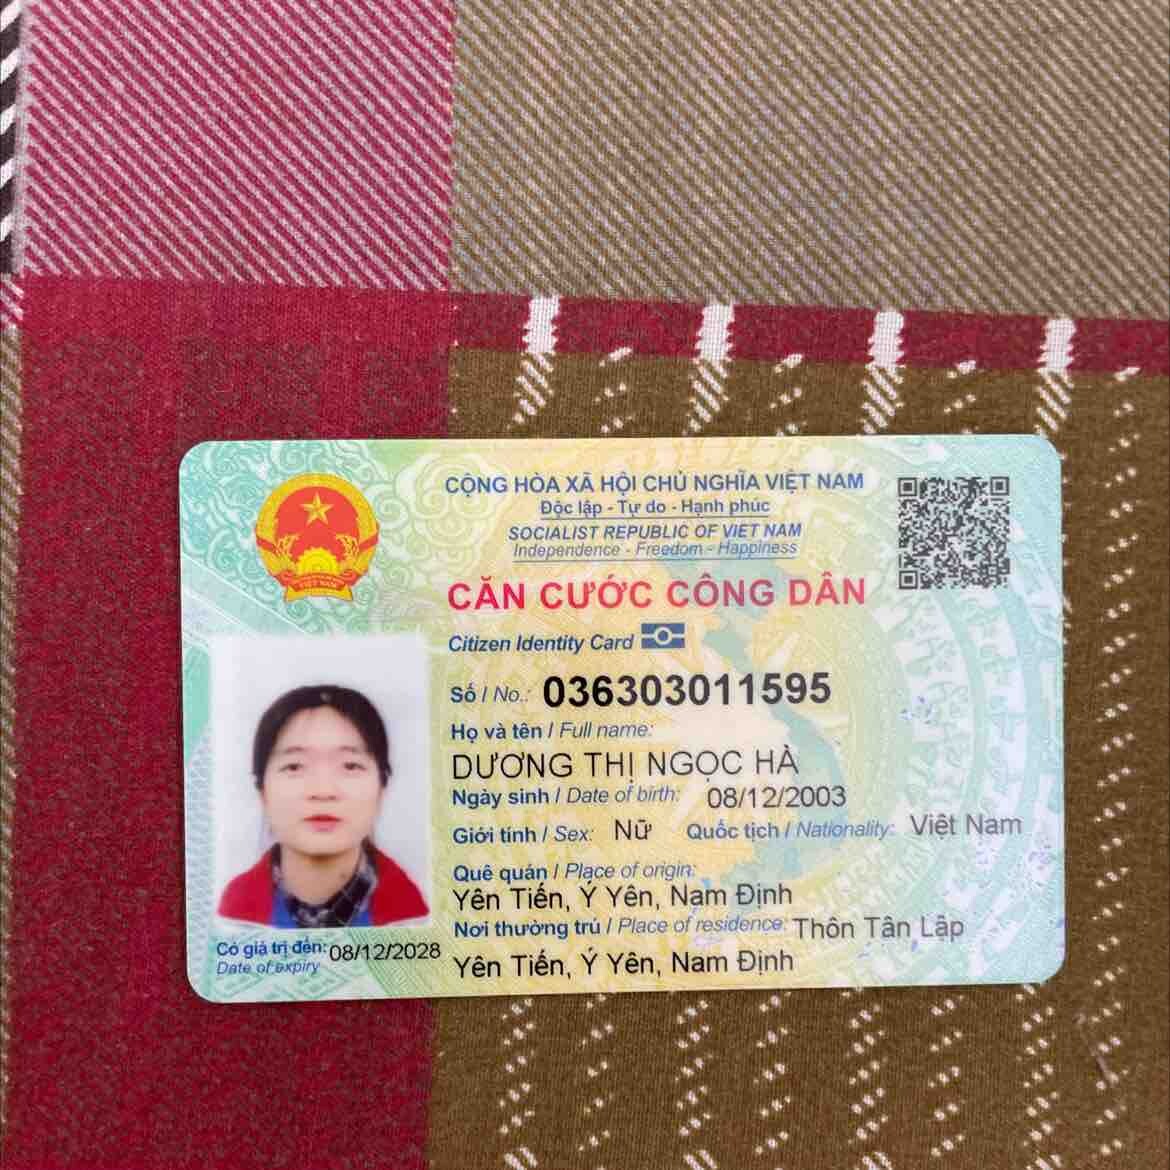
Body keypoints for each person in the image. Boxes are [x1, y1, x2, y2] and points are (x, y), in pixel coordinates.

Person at [218, 684, 428, 928]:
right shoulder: (224, 922)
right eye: (294, 766)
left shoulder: (422, 922)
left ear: (382, 788)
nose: (323, 791)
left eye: (350, 766)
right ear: (262, 790)